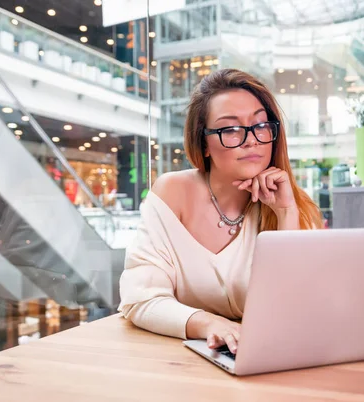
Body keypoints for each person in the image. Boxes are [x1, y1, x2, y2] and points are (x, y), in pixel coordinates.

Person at [118, 69, 322, 354]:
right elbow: (139, 299)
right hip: (179, 363)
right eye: (230, 129)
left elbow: (296, 308)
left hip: (268, 358)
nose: (252, 140)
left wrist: (286, 214)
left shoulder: (290, 201)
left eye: (261, 125)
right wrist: (208, 324)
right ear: (204, 143)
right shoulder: (171, 193)